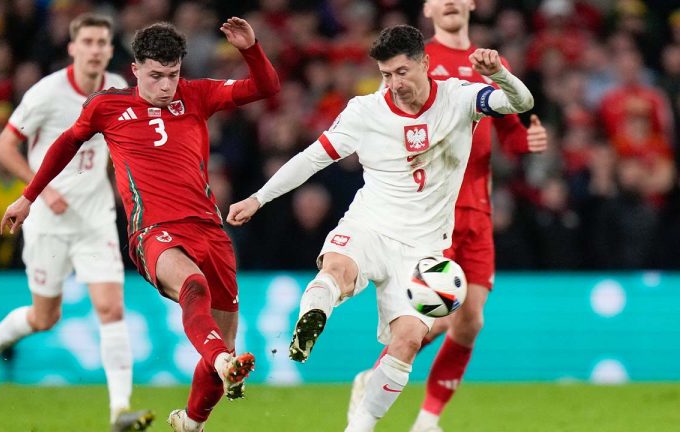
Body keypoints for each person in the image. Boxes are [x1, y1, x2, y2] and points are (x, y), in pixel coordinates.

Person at [227, 24, 534, 431]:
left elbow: (521, 101)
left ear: (426, 64)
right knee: (337, 269)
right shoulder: (365, 111)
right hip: (370, 223)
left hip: (423, 249)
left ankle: (359, 427)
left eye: (402, 72)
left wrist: (497, 73)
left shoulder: (460, 99)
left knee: (406, 340)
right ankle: (313, 315)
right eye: (386, 75)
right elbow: (311, 158)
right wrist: (258, 198)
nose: (394, 84)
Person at [0, 17, 280, 432]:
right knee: (193, 288)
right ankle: (221, 361)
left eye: (173, 75)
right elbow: (65, 145)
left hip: (210, 229)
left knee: (224, 342)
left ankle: (192, 421)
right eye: (156, 76)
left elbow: (266, 88)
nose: (167, 86)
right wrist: (28, 196)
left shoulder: (197, 94)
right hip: (154, 232)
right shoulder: (107, 106)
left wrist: (251, 48)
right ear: (136, 70)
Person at [347, 1, 549, 431]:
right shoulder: (414, 62)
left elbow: (510, 134)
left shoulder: (490, 62)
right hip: (430, 210)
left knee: (471, 317)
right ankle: (370, 390)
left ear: (473, 3)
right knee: (429, 314)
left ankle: (426, 420)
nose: (452, 1)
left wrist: (528, 141)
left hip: (476, 206)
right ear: (428, 7)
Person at [0, 13, 154, 431]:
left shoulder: (120, 91)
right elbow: (3, 148)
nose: (94, 49)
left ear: (110, 49)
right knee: (44, 317)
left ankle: (119, 411)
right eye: (87, 41)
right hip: (48, 223)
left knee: (111, 308)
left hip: (95, 220)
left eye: (102, 42)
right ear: (72, 48)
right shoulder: (46, 94)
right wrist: (40, 188)